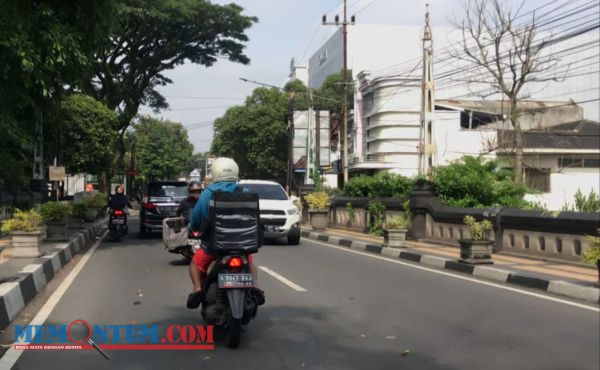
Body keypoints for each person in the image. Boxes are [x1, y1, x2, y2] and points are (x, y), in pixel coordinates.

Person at [186, 157, 259, 309]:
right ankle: (255, 287)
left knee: (194, 264)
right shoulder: (244, 192)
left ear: (215, 173)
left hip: (214, 247)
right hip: (242, 246)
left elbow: (195, 220)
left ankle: (198, 288)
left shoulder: (207, 194)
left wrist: (193, 229)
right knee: (250, 263)